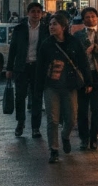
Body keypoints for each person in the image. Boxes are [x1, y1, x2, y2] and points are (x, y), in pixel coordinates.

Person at [37, 12, 92, 164]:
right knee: (52, 119)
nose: (51, 27)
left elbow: (83, 63)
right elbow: (40, 67)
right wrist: (37, 88)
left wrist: (88, 82)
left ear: (64, 26)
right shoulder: (46, 44)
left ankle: (65, 136)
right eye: (50, 24)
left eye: (55, 24)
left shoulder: (74, 43)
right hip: (51, 86)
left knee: (71, 118)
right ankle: (54, 150)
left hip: (70, 86)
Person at [6, 2, 49, 138]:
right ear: (28, 13)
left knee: (37, 97)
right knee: (20, 96)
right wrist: (9, 68)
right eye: (33, 11)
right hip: (21, 67)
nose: (36, 14)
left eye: (38, 12)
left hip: (38, 68)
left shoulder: (46, 29)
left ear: (41, 14)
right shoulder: (19, 29)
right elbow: (13, 49)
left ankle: (35, 127)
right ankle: (20, 122)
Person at [74, 7, 98, 151]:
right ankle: (84, 138)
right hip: (82, 75)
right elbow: (74, 53)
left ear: (97, 18)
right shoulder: (77, 35)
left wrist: (95, 48)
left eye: (93, 16)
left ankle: (94, 138)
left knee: (96, 108)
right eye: (87, 17)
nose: (90, 19)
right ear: (83, 19)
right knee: (82, 108)